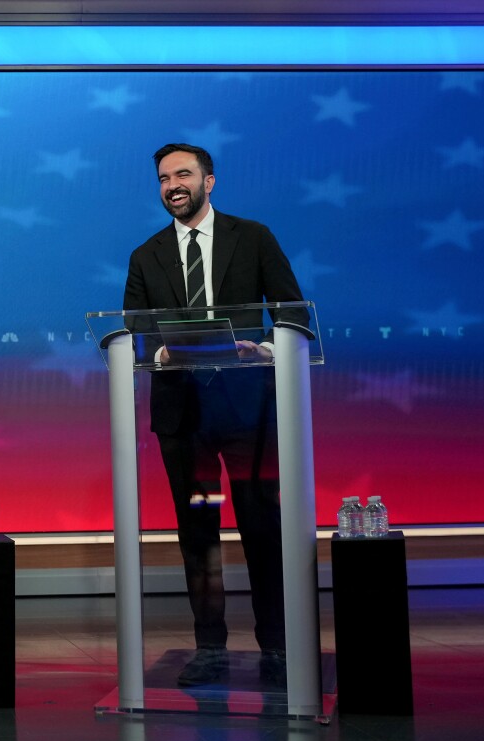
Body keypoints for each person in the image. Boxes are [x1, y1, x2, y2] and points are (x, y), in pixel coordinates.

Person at [122, 143, 305, 689]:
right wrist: (163, 351)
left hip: (248, 409)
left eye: (183, 174)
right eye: (163, 178)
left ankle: (278, 646)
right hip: (184, 415)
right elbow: (136, 330)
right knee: (198, 533)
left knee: (262, 527)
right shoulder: (146, 254)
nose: (172, 186)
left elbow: (293, 311)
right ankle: (209, 648)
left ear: (209, 181)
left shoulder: (253, 237)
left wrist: (263, 349)